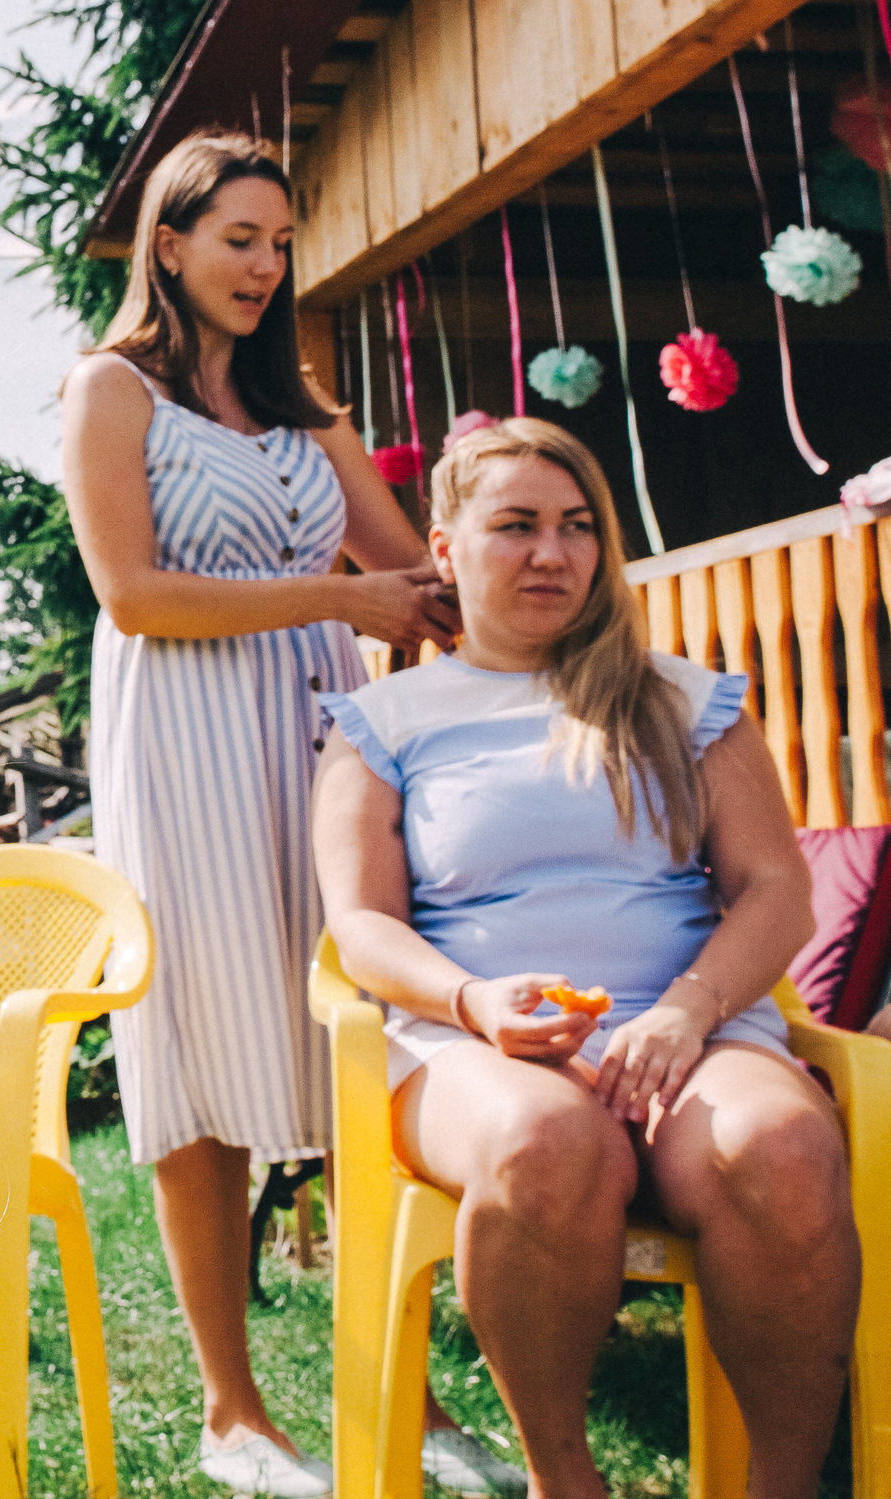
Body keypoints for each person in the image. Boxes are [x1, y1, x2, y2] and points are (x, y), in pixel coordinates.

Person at [315, 420, 857, 1499]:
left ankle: (782, 1487)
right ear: (445, 545)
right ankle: (567, 1481)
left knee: (786, 1148)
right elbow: (361, 928)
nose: (552, 555)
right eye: (514, 527)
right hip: (474, 1043)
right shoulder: (382, 722)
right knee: (544, 1140)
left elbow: (774, 889)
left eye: (576, 529)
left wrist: (689, 1012)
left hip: (686, 1026)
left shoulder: (681, 699)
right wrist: (474, 1002)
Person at [58, 131, 486, 1496]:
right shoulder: (109, 391)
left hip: (322, 751)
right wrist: (343, 601)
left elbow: (402, 564)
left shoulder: (306, 408)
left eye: (281, 241)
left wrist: (508, 561)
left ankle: (404, 1396)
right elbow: (131, 592)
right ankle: (234, 1410)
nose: (263, 263)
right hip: (183, 746)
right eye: (238, 236)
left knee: (358, 1048)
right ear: (169, 245)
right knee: (202, 1057)